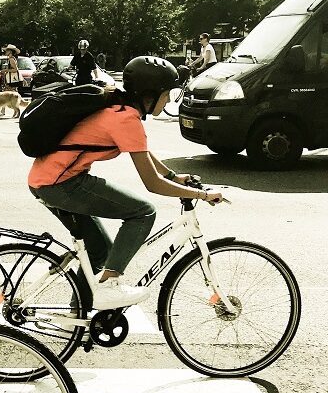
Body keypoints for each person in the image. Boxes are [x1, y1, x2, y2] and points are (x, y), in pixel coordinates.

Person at [27, 56, 224, 309]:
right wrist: (202, 196)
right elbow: (151, 184)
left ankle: (77, 315)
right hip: (61, 184)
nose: (166, 102)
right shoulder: (125, 119)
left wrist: (173, 176)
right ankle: (110, 286)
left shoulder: (118, 107)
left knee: (100, 252)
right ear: (149, 95)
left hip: (47, 180)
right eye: (166, 94)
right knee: (143, 212)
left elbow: (140, 149)